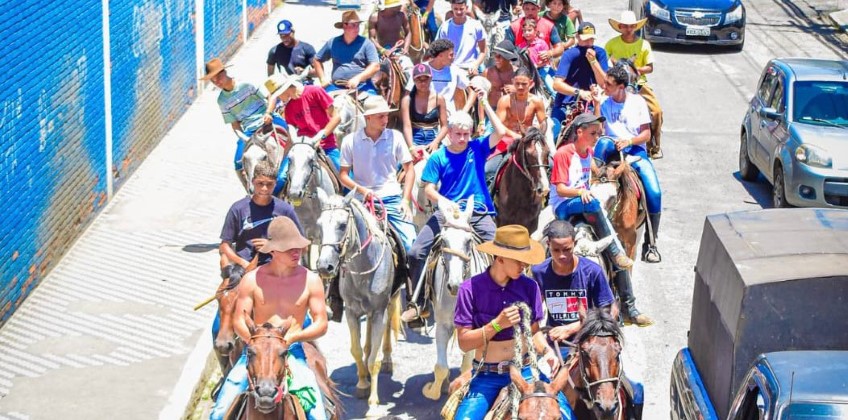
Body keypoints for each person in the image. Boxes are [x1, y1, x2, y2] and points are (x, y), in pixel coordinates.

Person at [403, 89, 508, 323]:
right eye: (458, 134)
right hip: (447, 213)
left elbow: (500, 131)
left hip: (478, 211)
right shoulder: (438, 157)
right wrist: (445, 202)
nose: (462, 138)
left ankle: (503, 298)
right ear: (448, 133)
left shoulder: (477, 148)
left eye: (466, 134)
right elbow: (428, 189)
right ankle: (419, 302)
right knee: (416, 251)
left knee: (502, 251)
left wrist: (484, 102)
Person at [210, 216, 328, 420]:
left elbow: (321, 323)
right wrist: (257, 343)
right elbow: (239, 321)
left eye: (299, 247)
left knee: (319, 415)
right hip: (255, 353)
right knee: (219, 412)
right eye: (289, 249)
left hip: (292, 351)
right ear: (272, 250)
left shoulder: (312, 280)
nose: (297, 252)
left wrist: (293, 338)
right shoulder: (251, 279)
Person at [452, 225, 573, 419]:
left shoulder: (530, 287)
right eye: (518, 260)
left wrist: (546, 351)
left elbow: (534, 332)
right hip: (487, 376)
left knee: (568, 415)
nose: (524, 265)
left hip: (526, 372)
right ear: (500, 258)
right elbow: (464, 343)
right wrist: (497, 324)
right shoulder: (469, 290)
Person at [550, 112, 653, 326]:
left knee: (609, 232)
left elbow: (593, 177)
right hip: (564, 205)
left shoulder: (588, 152)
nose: (597, 137)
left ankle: (628, 306)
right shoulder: (563, 153)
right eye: (593, 133)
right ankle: (615, 252)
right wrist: (580, 192)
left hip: (584, 202)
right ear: (579, 132)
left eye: (598, 133)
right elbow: (560, 189)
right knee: (595, 206)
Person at [214, 161, 305, 341]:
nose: (264, 188)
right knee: (218, 325)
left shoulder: (284, 210)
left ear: (275, 184)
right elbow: (224, 245)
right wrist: (242, 263)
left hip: (276, 270)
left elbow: (301, 244)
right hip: (242, 271)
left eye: (269, 184)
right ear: (252, 181)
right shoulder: (238, 209)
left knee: (300, 320)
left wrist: (273, 246)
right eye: (260, 183)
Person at [593, 64, 662, 265]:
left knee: (654, 192)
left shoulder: (638, 102)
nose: (604, 86)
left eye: (609, 84)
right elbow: (598, 130)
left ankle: (651, 242)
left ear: (621, 87)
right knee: (601, 147)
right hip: (609, 148)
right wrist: (596, 104)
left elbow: (646, 134)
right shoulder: (605, 102)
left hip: (634, 151)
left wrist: (629, 141)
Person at [202, 58, 289, 188]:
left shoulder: (247, 84)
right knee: (238, 163)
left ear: (224, 72)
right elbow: (234, 124)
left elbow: (271, 96)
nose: (217, 82)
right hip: (249, 130)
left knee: (289, 138)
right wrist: (243, 137)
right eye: (213, 80)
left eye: (218, 77)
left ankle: (288, 175)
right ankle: (250, 191)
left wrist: (268, 113)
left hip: (268, 120)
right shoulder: (221, 100)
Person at [532, 220, 616, 355]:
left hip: (589, 344)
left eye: (567, 250)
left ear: (574, 244)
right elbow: (532, 314)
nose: (562, 256)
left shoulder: (593, 271)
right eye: (556, 250)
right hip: (555, 345)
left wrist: (570, 329)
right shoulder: (539, 272)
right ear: (548, 245)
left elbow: (607, 312)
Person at [266, 72, 343, 191]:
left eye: (278, 95)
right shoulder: (289, 108)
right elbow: (291, 135)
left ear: (285, 89)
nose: (279, 99)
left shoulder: (315, 91)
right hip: (301, 148)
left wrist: (321, 137)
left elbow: (336, 117)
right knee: (280, 179)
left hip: (325, 145)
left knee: (345, 178)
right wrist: (284, 157)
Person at [605, 11, 664, 159]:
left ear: (635, 27)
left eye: (631, 26)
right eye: (625, 26)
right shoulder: (611, 44)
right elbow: (605, 62)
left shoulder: (644, 44)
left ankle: (654, 146)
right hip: (617, 82)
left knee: (656, 111)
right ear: (620, 27)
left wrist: (635, 70)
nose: (628, 29)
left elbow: (650, 67)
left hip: (638, 82)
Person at [551, 22, 608, 139]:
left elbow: (603, 83)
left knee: (598, 135)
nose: (589, 42)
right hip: (565, 104)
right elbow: (556, 84)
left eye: (591, 39)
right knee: (553, 133)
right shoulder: (569, 54)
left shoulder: (600, 53)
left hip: (590, 104)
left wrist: (594, 62)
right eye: (585, 39)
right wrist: (579, 92)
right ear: (577, 37)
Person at [313, 11, 380, 96]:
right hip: (336, 86)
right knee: (319, 101)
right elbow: (317, 59)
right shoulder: (333, 42)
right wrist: (322, 79)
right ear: (344, 26)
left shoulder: (366, 43)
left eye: (358, 25)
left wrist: (358, 78)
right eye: (353, 25)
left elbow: (375, 66)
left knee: (376, 102)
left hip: (362, 86)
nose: (357, 28)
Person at [411, 39, 472, 114]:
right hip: (425, 117)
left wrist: (464, 111)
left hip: (449, 116)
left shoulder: (455, 70)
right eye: (451, 55)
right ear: (440, 55)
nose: (453, 57)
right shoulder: (421, 69)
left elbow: (472, 91)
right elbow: (408, 93)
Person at [401, 63, 449, 154]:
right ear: (414, 80)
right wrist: (411, 148)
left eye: (426, 79)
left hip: (434, 136)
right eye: (419, 79)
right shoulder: (407, 100)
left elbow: (445, 126)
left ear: (431, 79)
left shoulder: (439, 99)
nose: (423, 83)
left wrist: (436, 142)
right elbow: (407, 126)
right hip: (414, 137)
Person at [436, 0, 487, 75]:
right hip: (451, 70)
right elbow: (440, 51)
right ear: (452, 8)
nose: (458, 12)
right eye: (456, 9)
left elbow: (483, 51)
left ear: (466, 8)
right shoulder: (445, 27)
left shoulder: (476, 26)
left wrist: (475, 65)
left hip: (470, 69)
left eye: (461, 9)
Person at [515, 17, 555, 95]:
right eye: (524, 31)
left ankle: (555, 96)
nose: (527, 33)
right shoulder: (521, 46)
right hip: (527, 71)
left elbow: (547, 60)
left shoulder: (541, 43)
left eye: (529, 30)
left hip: (541, 68)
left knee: (550, 85)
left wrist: (537, 65)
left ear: (535, 31)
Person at [483, 40, 519, 106]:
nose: (496, 58)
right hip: (492, 109)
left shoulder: (517, 73)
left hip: (511, 109)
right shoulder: (488, 73)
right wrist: (482, 113)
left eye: (500, 56)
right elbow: (481, 98)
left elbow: (529, 95)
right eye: (495, 55)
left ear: (508, 58)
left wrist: (517, 90)